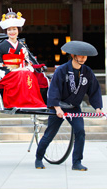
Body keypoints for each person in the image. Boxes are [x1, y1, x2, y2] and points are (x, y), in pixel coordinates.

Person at [35, 40, 102, 171]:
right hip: (58, 106)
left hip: (74, 107)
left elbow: (94, 90)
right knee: (50, 134)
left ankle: (77, 162)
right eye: (80, 55)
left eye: (85, 56)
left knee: (80, 131)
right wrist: (57, 108)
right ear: (73, 55)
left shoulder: (87, 72)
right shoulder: (62, 70)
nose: (83, 58)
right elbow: (53, 90)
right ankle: (38, 158)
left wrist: (98, 108)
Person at [0, 9, 46, 108]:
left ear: (18, 30)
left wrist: (26, 68)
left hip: (21, 71)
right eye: (9, 30)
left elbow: (27, 61)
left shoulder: (22, 46)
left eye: (14, 29)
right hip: (7, 73)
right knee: (21, 74)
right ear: (6, 31)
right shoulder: (1, 46)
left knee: (29, 74)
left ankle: (32, 102)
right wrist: (14, 70)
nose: (12, 32)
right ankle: (18, 103)